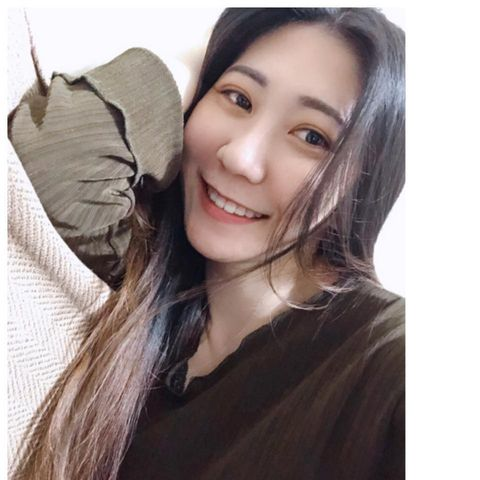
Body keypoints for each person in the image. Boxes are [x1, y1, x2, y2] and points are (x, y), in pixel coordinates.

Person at [8, 7, 405, 480]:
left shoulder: (386, 360)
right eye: (238, 98)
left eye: (311, 136)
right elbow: (57, 165)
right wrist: (197, 60)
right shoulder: (147, 275)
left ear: (362, 181)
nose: (239, 156)